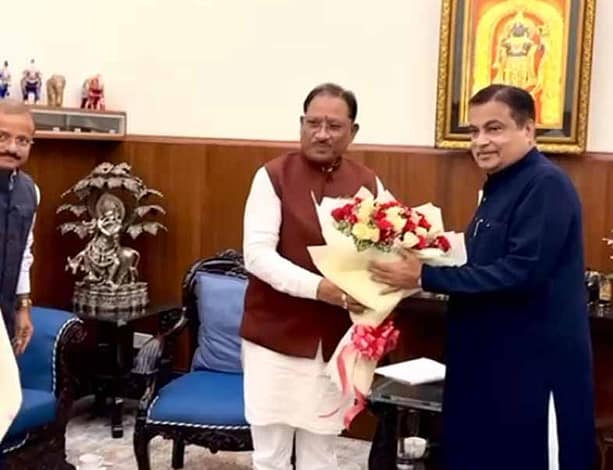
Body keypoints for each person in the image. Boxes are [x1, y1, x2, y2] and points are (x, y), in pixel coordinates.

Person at [369, 84, 595, 470]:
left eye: (494, 129)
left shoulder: (545, 184)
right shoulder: (500, 186)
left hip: (530, 370)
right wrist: (429, 257)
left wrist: (425, 277)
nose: (480, 141)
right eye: (473, 131)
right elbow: (484, 262)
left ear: (528, 130)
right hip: (486, 362)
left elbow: (521, 272)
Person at [240, 83, 383, 470]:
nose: (322, 133)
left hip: (336, 342)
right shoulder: (273, 176)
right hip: (274, 336)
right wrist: (320, 289)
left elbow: (390, 245)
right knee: (270, 455)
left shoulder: (369, 183)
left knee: (321, 453)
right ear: (301, 124)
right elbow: (257, 256)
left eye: (334, 126)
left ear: (353, 131)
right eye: (313, 123)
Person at [0, 100, 38, 357]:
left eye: (22, 140)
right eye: (2, 137)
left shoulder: (30, 191)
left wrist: (23, 305)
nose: (12, 148)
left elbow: (24, 252)